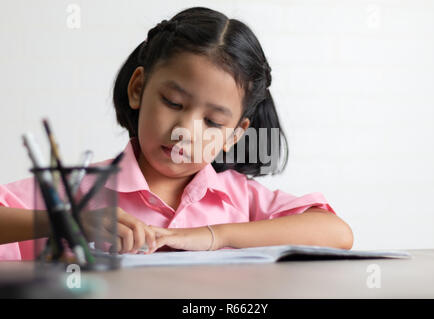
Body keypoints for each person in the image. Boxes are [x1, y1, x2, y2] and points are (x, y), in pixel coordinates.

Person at [0, 7, 353, 261]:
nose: (185, 131)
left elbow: (337, 233)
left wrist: (212, 237)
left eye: (213, 122)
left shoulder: (240, 201)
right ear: (138, 88)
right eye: (172, 102)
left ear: (234, 135)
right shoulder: (77, 189)